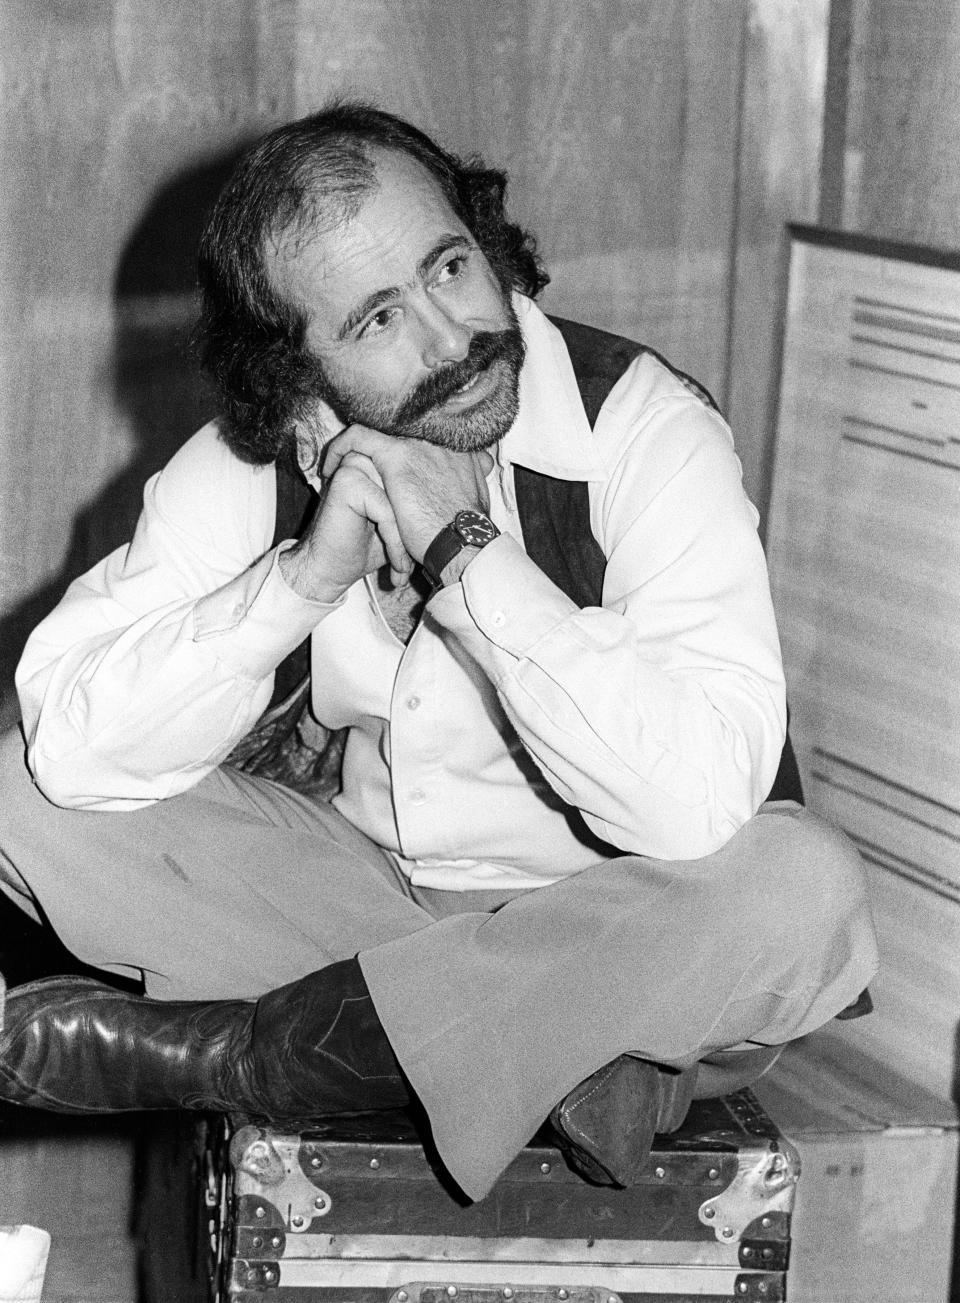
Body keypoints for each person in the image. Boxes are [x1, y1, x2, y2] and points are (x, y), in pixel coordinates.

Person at [0, 102, 878, 1202]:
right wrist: (301, 580)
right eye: (375, 320)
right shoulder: (260, 461)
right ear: (294, 377)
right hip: (363, 905)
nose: (453, 335)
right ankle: (553, 1057)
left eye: (450, 265)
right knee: (20, 794)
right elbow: (71, 745)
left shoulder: (644, 428)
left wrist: (470, 560)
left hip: (641, 916)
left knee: (802, 889)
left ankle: (247, 1058)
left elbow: (696, 812)